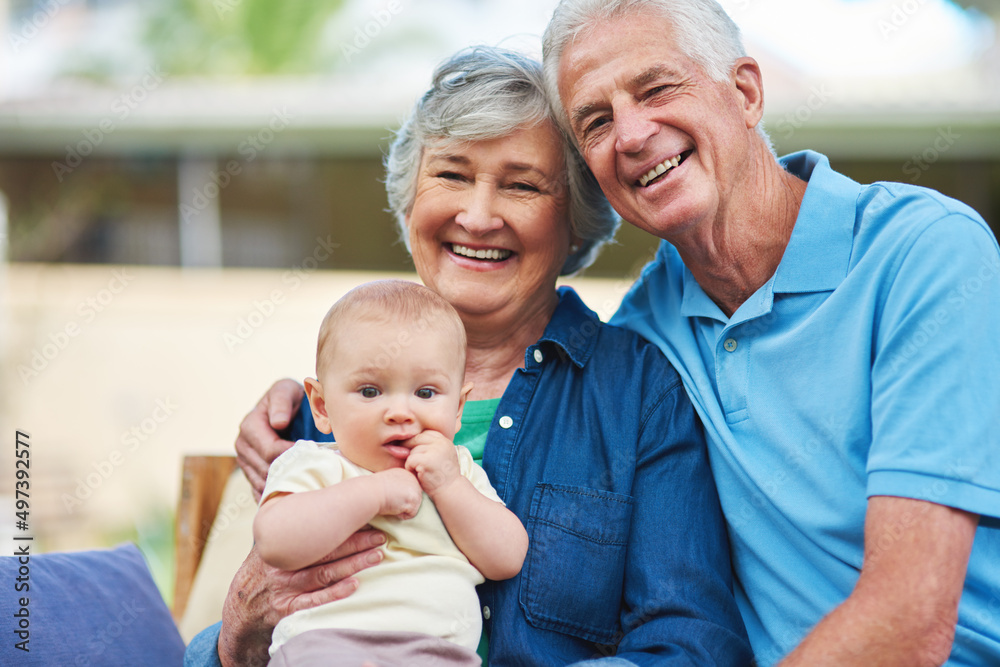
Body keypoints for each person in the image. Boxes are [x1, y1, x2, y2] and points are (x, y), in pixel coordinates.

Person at [184, 46, 752, 666]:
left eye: (522, 186)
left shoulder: (639, 396)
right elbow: (233, 631)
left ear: (578, 224)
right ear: (408, 203)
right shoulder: (324, 408)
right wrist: (236, 636)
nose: (478, 217)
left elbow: (693, 649)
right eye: (452, 175)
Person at [541, 1, 1000, 665]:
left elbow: (908, 622)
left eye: (657, 87)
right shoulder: (641, 335)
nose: (632, 134)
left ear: (746, 92)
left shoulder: (925, 256)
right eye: (597, 121)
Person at [253, 279, 527, 665]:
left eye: (426, 393)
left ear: (459, 408)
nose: (400, 411)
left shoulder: (457, 470)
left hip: (441, 655)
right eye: (369, 391)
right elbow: (275, 541)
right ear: (322, 406)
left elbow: (507, 558)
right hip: (328, 647)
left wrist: (448, 485)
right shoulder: (315, 463)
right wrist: (375, 494)